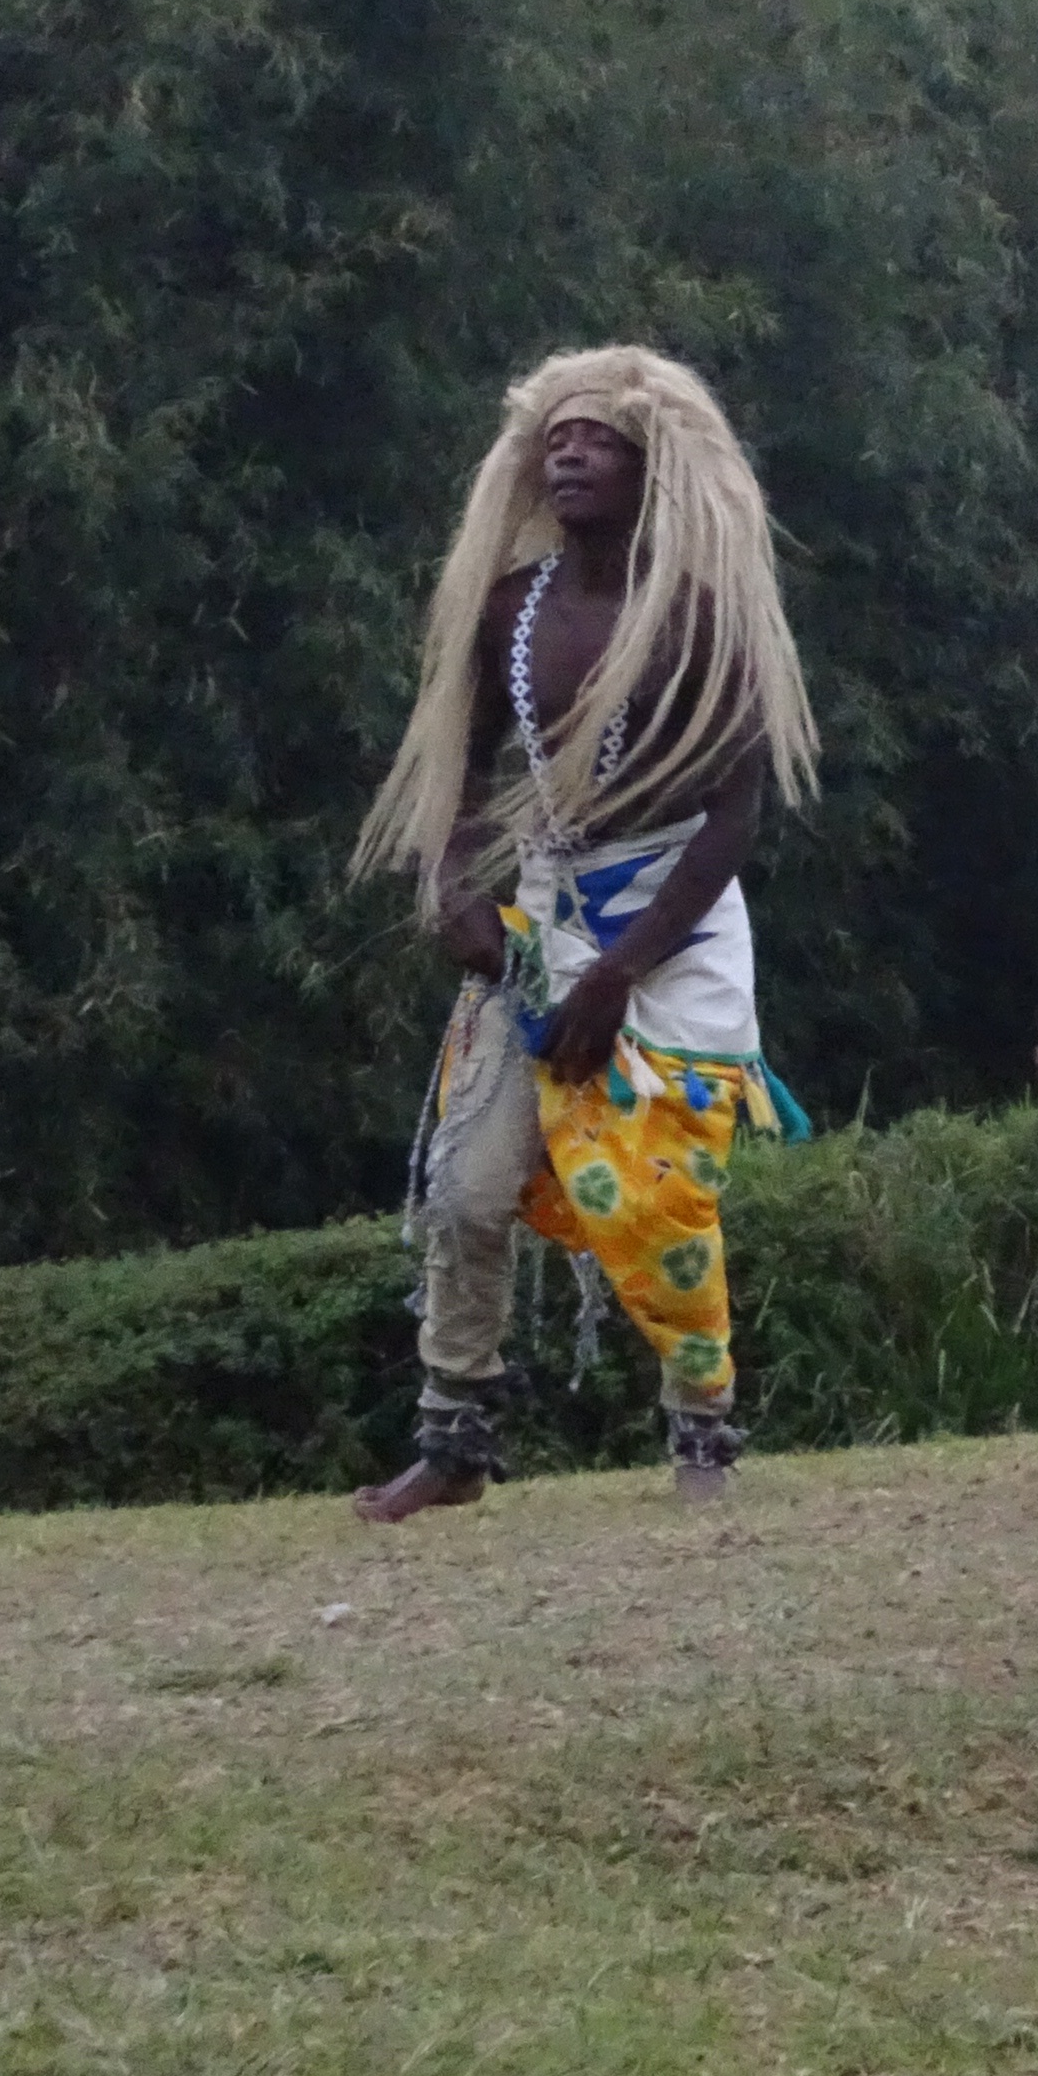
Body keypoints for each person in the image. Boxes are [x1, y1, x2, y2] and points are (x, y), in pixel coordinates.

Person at [350, 351, 822, 1519]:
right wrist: (452, 890)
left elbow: (735, 813)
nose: (566, 456)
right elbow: (455, 773)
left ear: (646, 463)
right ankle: (454, 1436)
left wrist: (624, 970)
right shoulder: (509, 609)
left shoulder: (702, 615)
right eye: (552, 441)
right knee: (467, 1187)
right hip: (550, 918)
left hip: (677, 926)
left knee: (657, 1197)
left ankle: (703, 1430)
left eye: (594, 440)